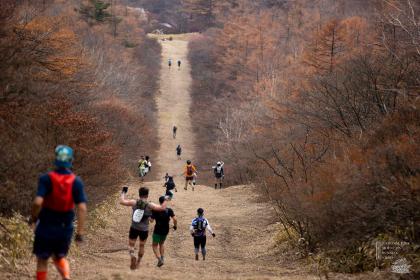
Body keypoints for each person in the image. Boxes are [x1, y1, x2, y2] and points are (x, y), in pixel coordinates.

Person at [30, 145, 87, 280]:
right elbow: (82, 208)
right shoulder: (76, 181)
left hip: (45, 225)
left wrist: (33, 218)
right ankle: (66, 276)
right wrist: (80, 233)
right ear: (71, 160)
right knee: (59, 256)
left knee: (42, 259)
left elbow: (38, 202)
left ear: (55, 159)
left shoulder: (46, 178)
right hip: (65, 227)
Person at [120, 186, 168, 270]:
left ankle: (132, 255)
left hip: (134, 227)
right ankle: (138, 263)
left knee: (131, 245)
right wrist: (165, 199)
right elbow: (162, 208)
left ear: (139, 194)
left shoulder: (134, 202)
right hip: (144, 230)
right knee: (142, 246)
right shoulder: (150, 205)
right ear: (147, 195)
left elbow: (122, 201)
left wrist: (123, 192)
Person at [151, 196, 177, 267]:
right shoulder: (169, 210)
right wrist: (175, 226)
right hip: (166, 229)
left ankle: (159, 259)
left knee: (154, 245)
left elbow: (151, 221)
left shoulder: (155, 210)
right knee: (161, 243)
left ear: (159, 202)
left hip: (157, 229)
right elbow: (175, 219)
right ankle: (162, 258)